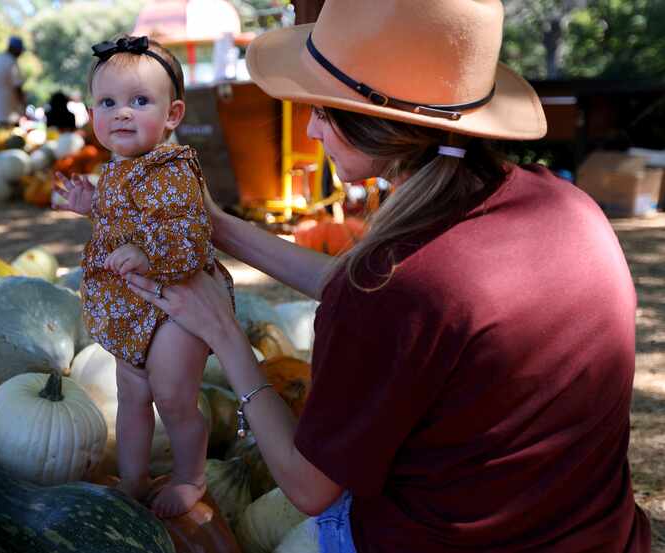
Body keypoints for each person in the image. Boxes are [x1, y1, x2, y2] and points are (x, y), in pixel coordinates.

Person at [124, 0, 652, 551]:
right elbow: (391, 304)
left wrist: (226, 336)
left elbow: (309, 488)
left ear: (375, 124)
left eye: (324, 111)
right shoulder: (563, 204)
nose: (311, 127)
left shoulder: (399, 286)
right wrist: (220, 228)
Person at [51, 35, 234, 519]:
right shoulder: (117, 168)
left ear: (172, 115)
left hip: (177, 303)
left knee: (174, 398)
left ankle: (191, 478)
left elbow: (190, 235)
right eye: (107, 102)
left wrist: (146, 252)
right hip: (131, 307)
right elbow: (123, 217)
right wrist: (92, 206)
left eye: (139, 101)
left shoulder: (171, 169)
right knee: (132, 398)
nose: (122, 113)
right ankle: (132, 482)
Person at [0, 36, 26, 126]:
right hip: (9, 111)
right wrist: (23, 105)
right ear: (15, 49)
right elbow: (17, 87)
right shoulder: (11, 62)